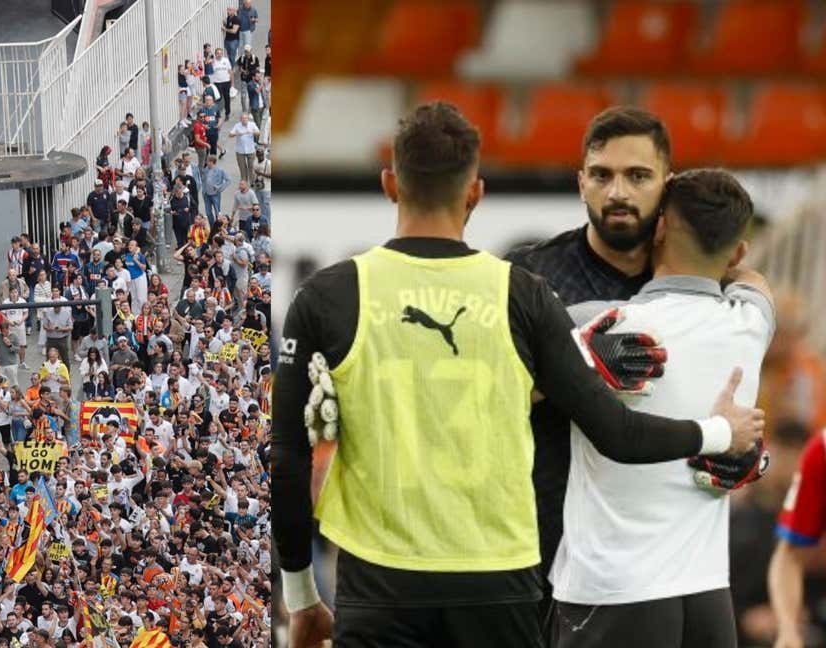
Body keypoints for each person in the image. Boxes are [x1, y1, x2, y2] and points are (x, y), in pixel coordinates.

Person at [271, 102, 764, 647]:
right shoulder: (531, 280)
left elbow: (746, 395)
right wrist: (576, 358)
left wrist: (747, 451)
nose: (618, 192)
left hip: (665, 569)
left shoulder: (710, 283)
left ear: (666, 193)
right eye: (602, 175)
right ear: (580, 182)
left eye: (638, 176)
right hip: (545, 567)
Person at [549, 170, 775, 648]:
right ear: (737, 250)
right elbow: (754, 280)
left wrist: (585, 353)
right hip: (708, 596)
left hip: (612, 592)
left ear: (658, 229)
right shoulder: (752, 323)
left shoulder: (597, 326)